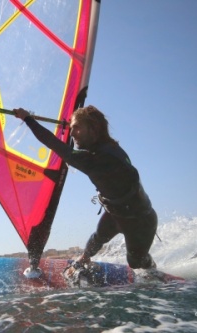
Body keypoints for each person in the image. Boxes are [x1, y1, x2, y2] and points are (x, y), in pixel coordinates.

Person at [14, 105, 158, 275]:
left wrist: (28, 119)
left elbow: (55, 145)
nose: (72, 133)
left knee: (135, 262)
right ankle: (84, 258)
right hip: (116, 213)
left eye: (76, 128)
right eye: (71, 127)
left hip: (140, 221)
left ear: (93, 129)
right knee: (97, 238)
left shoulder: (101, 158)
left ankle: (153, 271)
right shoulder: (104, 147)